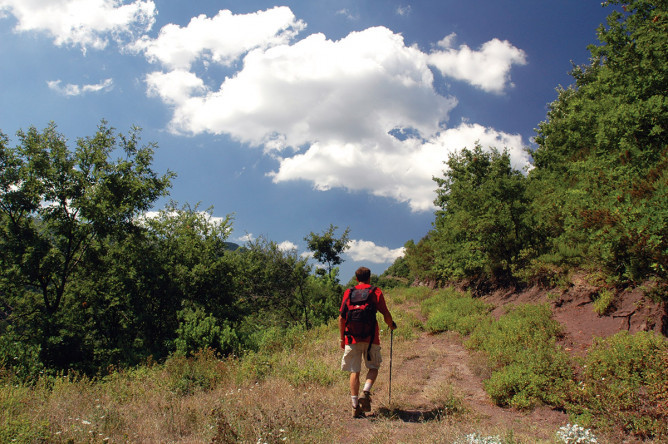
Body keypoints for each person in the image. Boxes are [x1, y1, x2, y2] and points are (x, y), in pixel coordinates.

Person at [339, 266, 396, 418]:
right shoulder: (375, 291)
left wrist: (342, 339)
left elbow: (342, 318)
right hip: (372, 338)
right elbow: (385, 313)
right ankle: (366, 391)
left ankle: (354, 406)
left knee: (354, 371)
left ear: (356, 278)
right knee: (373, 367)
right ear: (369, 278)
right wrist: (391, 325)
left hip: (351, 338)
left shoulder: (349, 292)